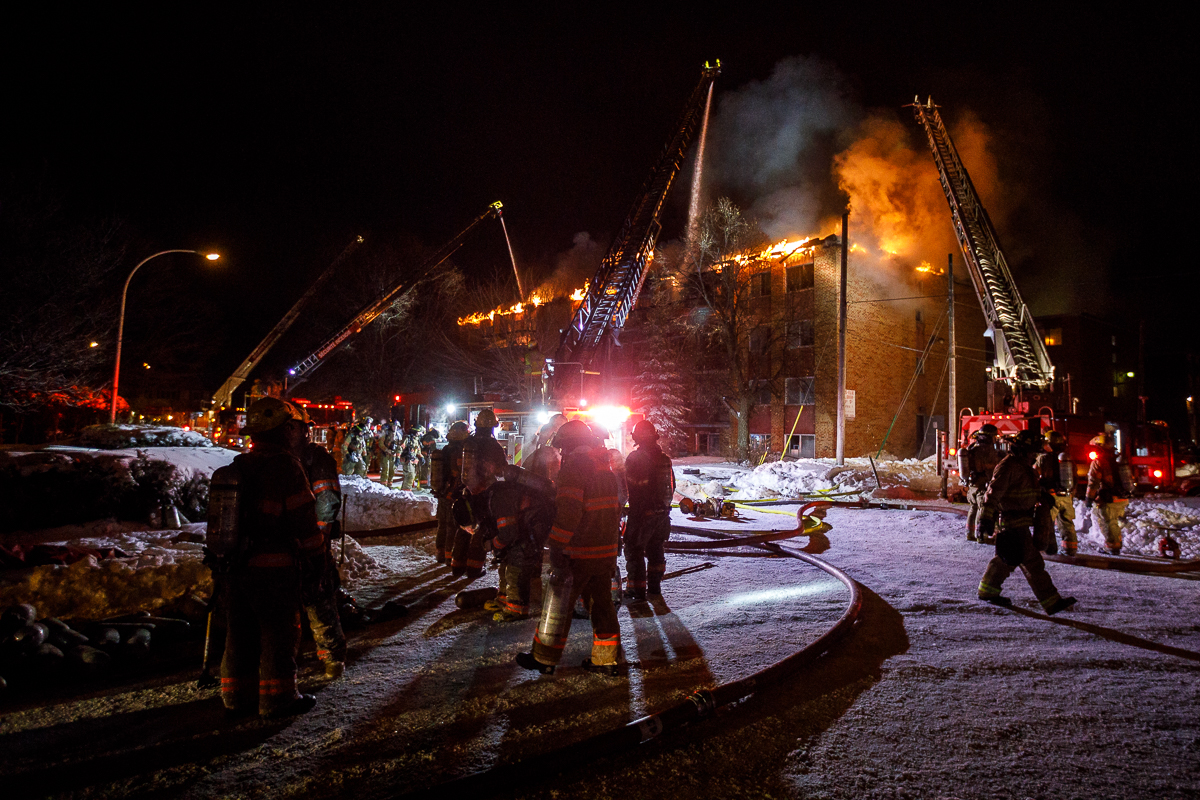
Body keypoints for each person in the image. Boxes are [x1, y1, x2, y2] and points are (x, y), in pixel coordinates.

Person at [210, 397, 323, 717]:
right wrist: (318, 559)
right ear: (286, 430)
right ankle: (279, 699)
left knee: (240, 631)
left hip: (237, 567)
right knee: (279, 632)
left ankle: (235, 697)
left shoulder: (240, 465)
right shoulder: (287, 467)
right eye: (295, 429)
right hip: (275, 569)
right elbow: (304, 519)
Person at [516, 421, 622, 677]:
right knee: (603, 606)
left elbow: (569, 515)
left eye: (562, 447)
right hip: (605, 552)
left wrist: (556, 546)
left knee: (557, 604)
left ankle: (544, 658)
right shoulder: (605, 468)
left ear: (570, 444)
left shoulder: (574, 470)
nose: (561, 453)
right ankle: (606, 661)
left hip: (580, 553)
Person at [976, 429, 1077, 615]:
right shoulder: (1008, 466)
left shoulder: (1024, 467)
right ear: (1022, 450)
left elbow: (1028, 491)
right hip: (1011, 521)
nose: (1034, 456)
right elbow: (992, 494)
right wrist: (985, 518)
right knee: (1031, 562)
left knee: (1008, 559)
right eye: (1031, 452)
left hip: (1022, 521)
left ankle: (988, 590)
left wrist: (1043, 498)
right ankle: (1051, 602)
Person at [455, 463, 556, 621]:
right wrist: (498, 547)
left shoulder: (497, 500)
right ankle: (504, 597)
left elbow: (508, 533)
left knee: (518, 559)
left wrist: (494, 544)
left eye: (472, 526)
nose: (475, 529)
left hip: (538, 521)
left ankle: (517, 608)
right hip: (527, 523)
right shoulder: (488, 501)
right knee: (506, 557)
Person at [295, 421, 347, 680]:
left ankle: (331, 659)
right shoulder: (296, 458)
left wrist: (318, 536)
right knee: (315, 599)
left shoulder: (313, 458)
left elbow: (326, 500)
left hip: (303, 542)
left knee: (317, 598)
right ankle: (326, 656)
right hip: (292, 544)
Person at [624, 420, 675, 601]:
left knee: (634, 550)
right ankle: (654, 588)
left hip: (641, 514)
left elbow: (629, 487)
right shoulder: (665, 459)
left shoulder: (634, 458)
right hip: (662, 514)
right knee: (655, 549)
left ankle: (636, 591)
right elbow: (672, 485)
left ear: (636, 437)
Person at [450, 433, 506, 579]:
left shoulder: (468, 443)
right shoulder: (494, 446)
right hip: (485, 492)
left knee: (464, 528)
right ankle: (474, 569)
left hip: (467, 489)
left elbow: (458, 464)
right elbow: (501, 469)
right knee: (481, 529)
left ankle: (457, 566)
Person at [1086, 434, 1130, 556]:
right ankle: (1116, 543)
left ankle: (1112, 547)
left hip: (1109, 499)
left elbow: (1093, 482)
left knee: (1107, 523)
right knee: (1113, 522)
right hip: (1122, 498)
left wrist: (1089, 498)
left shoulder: (1099, 462)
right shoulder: (1118, 459)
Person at [1034, 430, 1077, 556]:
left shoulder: (1042, 458)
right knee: (1067, 523)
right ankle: (1071, 549)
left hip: (1050, 496)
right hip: (1067, 496)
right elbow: (1075, 477)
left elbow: (1035, 475)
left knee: (1048, 523)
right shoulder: (1068, 459)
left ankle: (1050, 549)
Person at [432, 421, 470, 564]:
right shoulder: (459, 452)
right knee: (451, 525)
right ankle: (450, 557)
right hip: (453, 493)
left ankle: (440, 554)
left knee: (442, 524)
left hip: (442, 493)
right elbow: (459, 473)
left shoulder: (446, 450)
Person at [959, 423, 1003, 543]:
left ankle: (970, 533)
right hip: (982, 484)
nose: (995, 439)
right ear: (989, 437)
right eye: (994, 436)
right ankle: (981, 535)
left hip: (973, 485)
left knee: (973, 508)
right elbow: (990, 467)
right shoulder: (987, 450)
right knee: (982, 509)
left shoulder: (973, 448)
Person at [399, 425, 425, 491]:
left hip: (413, 461)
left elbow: (418, 452)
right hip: (407, 460)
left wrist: (421, 457)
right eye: (419, 432)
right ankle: (406, 492)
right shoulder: (407, 438)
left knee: (412, 476)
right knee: (409, 475)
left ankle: (405, 491)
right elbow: (400, 448)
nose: (420, 434)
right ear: (416, 431)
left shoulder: (416, 440)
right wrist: (397, 457)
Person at [377, 420, 402, 487]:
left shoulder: (398, 436)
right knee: (385, 469)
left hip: (393, 456)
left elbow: (399, 448)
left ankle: (389, 485)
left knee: (392, 471)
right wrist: (387, 450)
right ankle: (383, 485)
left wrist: (398, 458)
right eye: (393, 426)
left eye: (396, 426)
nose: (395, 427)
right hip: (385, 455)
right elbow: (381, 443)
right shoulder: (386, 434)